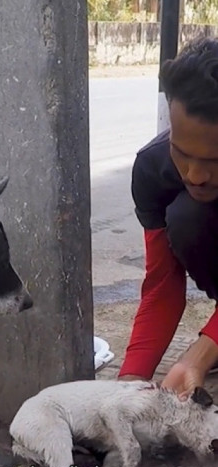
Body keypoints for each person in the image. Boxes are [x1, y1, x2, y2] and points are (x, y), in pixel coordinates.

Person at [118, 37, 218, 396]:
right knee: (187, 215)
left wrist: (201, 353)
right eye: (181, 152)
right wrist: (128, 383)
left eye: (215, 162)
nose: (195, 174)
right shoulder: (152, 168)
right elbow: (162, 285)